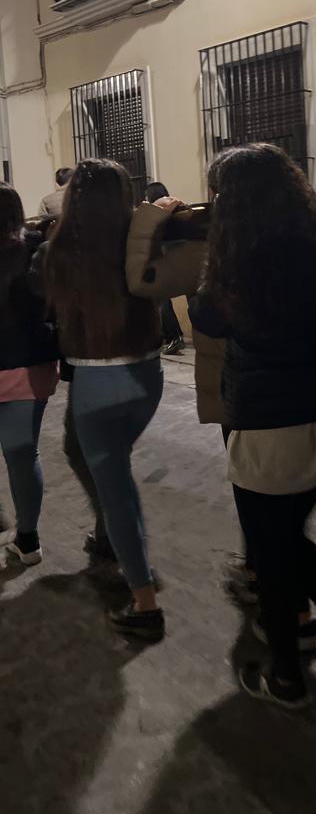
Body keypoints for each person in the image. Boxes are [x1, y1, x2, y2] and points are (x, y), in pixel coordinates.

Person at [189, 144, 316, 709]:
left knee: (275, 558)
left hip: (263, 429)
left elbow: (205, 317)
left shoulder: (236, 268)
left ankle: (288, 677)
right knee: (289, 543)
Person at [126, 154, 258, 604]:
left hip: (237, 386)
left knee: (252, 487)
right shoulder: (302, 236)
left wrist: (150, 219)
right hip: (307, 394)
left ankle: (269, 585)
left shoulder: (208, 249)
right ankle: (278, 586)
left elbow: (142, 279)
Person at [44, 159, 165, 641]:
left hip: (97, 381)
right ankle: (114, 542)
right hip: (147, 375)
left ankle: (144, 602)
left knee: (117, 491)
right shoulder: (140, 240)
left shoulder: (61, 251)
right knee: (102, 468)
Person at [0, 183, 58, 564]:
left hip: (23, 360)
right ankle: (27, 537)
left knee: (20, 453)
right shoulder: (39, 245)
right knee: (21, 453)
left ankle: (24, 533)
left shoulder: (39, 245)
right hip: (29, 360)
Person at [143, 181, 185, 357]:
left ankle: (174, 337)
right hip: (182, 259)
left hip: (163, 259)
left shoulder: (156, 210)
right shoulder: (178, 206)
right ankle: (177, 336)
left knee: (162, 300)